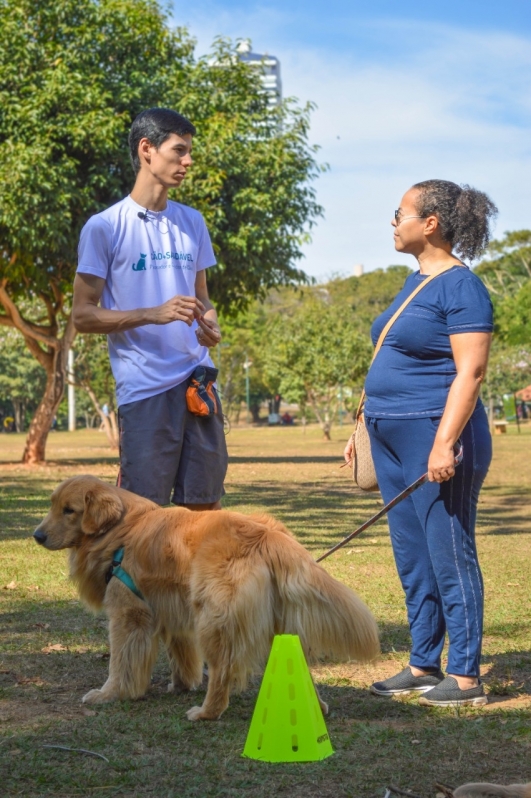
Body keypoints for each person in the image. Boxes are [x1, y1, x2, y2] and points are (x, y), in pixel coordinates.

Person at [345, 179, 497, 707]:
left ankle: (466, 675)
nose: (393, 222)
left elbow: (471, 372)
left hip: (435, 436)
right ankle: (423, 661)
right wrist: (361, 424)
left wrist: (443, 443)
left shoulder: (462, 286)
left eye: (399, 213)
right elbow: (392, 356)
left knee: (448, 552)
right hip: (388, 435)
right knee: (413, 558)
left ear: (429, 222)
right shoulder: (414, 282)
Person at [73, 108, 228, 510]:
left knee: (203, 507)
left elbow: (202, 297)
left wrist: (209, 325)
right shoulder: (104, 227)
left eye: (189, 151)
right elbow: (82, 315)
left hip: (198, 382)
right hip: (144, 391)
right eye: (179, 151)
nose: (188, 161)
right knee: (143, 517)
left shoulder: (192, 222)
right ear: (147, 150)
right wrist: (150, 313)